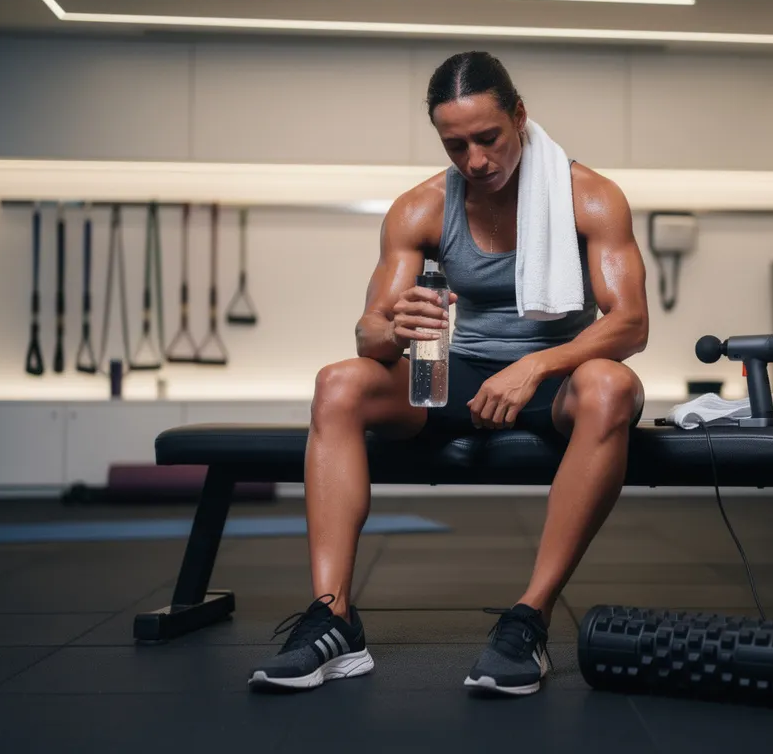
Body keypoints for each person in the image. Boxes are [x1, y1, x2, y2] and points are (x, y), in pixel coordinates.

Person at [247, 50, 649, 696]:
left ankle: (530, 618)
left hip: (553, 378)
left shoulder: (590, 197)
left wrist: (535, 364)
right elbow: (369, 337)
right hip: (450, 372)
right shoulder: (421, 208)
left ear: (520, 116)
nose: (476, 161)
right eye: (455, 145)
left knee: (613, 387)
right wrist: (392, 326)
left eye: (489, 138)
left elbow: (630, 323)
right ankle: (333, 616)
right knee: (337, 384)